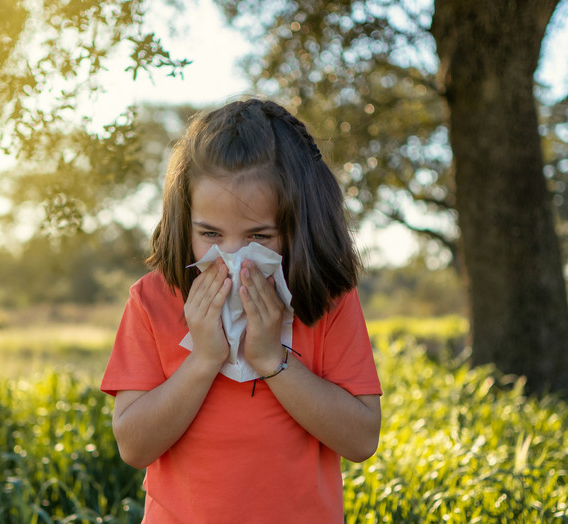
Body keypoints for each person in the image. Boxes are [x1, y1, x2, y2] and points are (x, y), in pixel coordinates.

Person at [101, 98, 382, 523]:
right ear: (184, 220)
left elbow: (361, 439)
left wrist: (273, 359)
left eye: (259, 236)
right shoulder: (153, 300)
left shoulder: (327, 300)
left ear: (297, 226)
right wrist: (204, 359)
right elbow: (134, 447)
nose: (233, 257)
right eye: (210, 233)